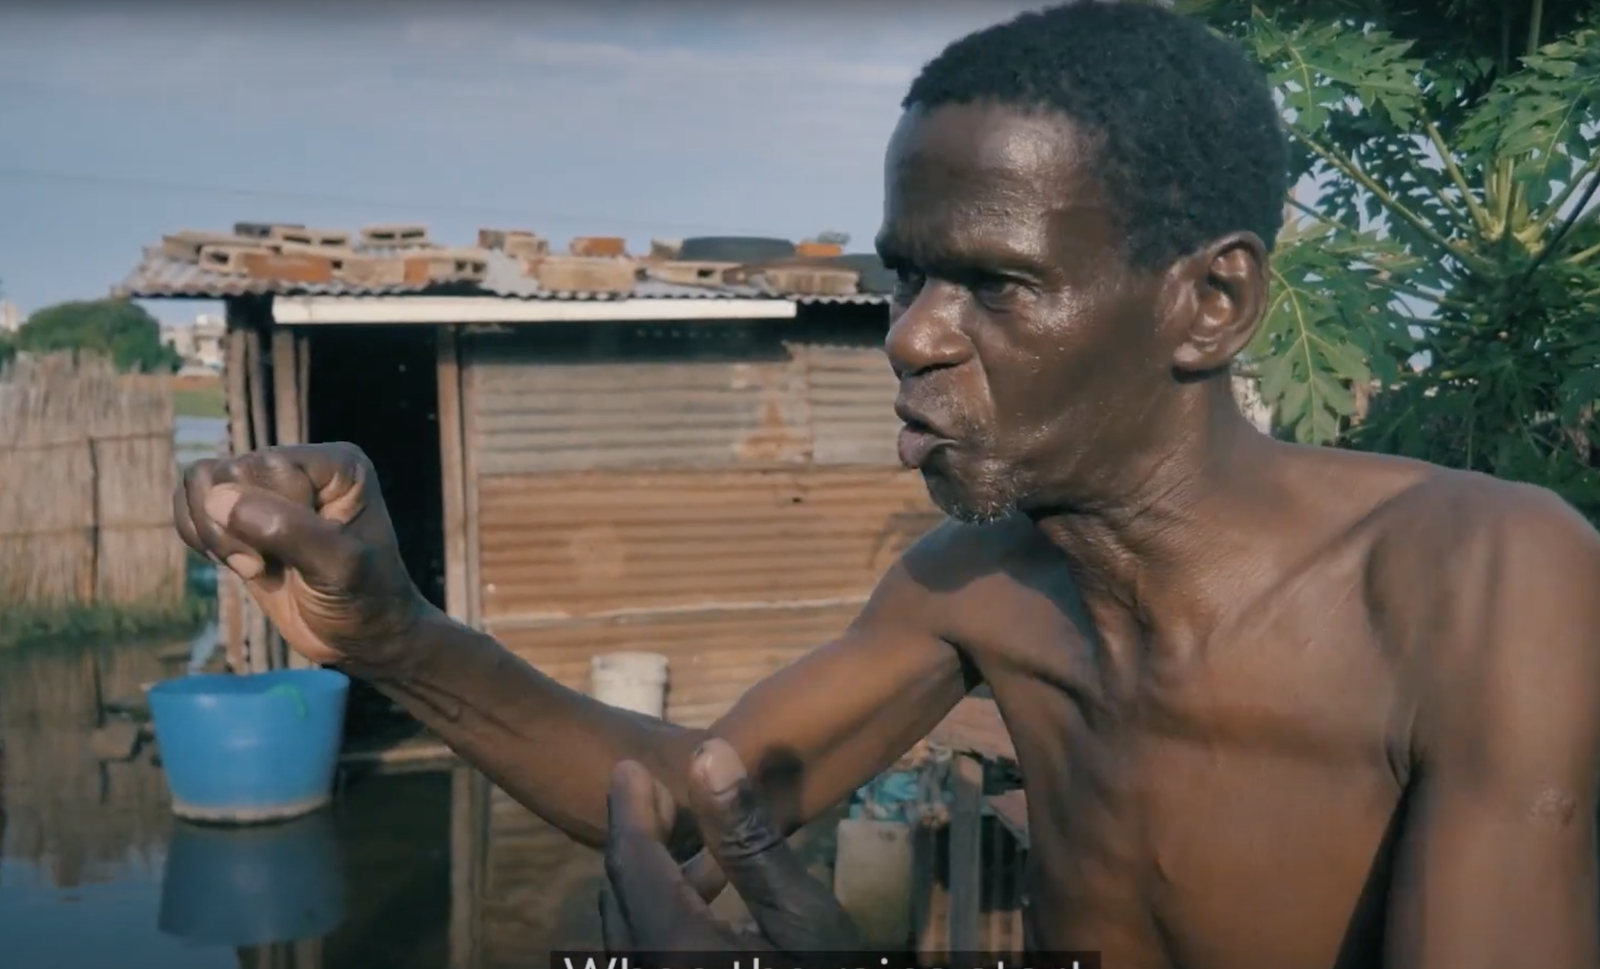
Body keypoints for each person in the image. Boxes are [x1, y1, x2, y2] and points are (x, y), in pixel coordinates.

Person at [173, 2, 1600, 967]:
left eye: (995, 281)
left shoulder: (1479, 580)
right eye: (907, 272)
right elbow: (692, 799)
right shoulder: (974, 592)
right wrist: (395, 639)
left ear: (1211, 303)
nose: (911, 333)